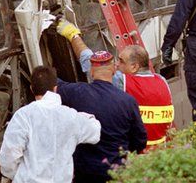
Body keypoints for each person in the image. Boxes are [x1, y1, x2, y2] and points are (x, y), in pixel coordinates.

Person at [55, 19, 173, 151]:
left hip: (139, 156)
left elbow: (91, 62)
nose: (116, 64)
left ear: (134, 67)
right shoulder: (162, 81)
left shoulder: (124, 81)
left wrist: (73, 36)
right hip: (162, 153)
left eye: (121, 61)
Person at [54, 47, 146, 182]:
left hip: (85, 173)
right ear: (114, 70)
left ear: (91, 72)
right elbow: (140, 141)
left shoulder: (76, 93)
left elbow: (53, 84)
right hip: (117, 172)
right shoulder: (128, 101)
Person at [0, 66, 101, 183]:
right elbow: (95, 133)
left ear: (32, 89)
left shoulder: (22, 115)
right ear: (56, 88)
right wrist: (85, 116)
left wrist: (17, 175)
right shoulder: (71, 116)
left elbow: (9, 155)